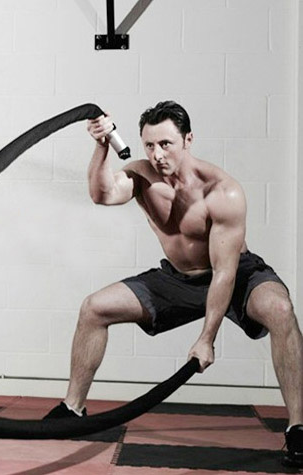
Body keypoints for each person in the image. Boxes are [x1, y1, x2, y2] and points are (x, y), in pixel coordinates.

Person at [43, 101, 303, 467]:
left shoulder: (221, 191)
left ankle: (298, 426)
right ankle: (73, 408)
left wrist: (206, 338)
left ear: (188, 139)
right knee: (94, 308)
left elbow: (225, 272)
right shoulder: (142, 175)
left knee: (280, 308)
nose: (157, 154)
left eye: (166, 144)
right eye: (150, 145)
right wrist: (101, 147)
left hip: (236, 272)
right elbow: (102, 194)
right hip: (178, 278)